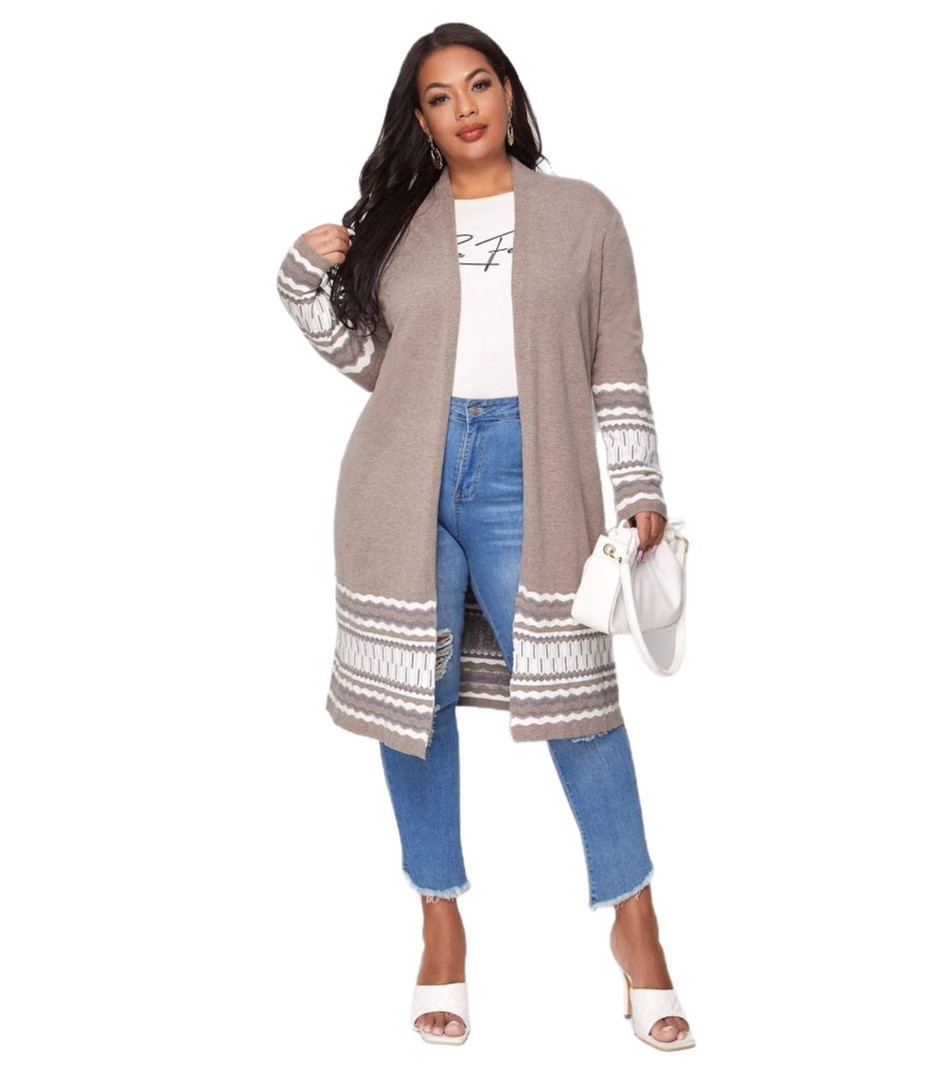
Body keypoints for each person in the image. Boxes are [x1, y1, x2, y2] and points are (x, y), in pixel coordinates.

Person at [275, 22, 693, 1052]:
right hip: (401, 479)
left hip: (529, 475)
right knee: (411, 705)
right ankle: (440, 920)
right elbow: (377, 364)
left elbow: (617, 357)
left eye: (479, 84)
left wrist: (638, 482)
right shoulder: (398, 225)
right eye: (439, 96)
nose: (463, 108)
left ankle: (636, 926)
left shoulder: (584, 216)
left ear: (508, 93)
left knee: (581, 708)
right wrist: (299, 284)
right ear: (419, 120)